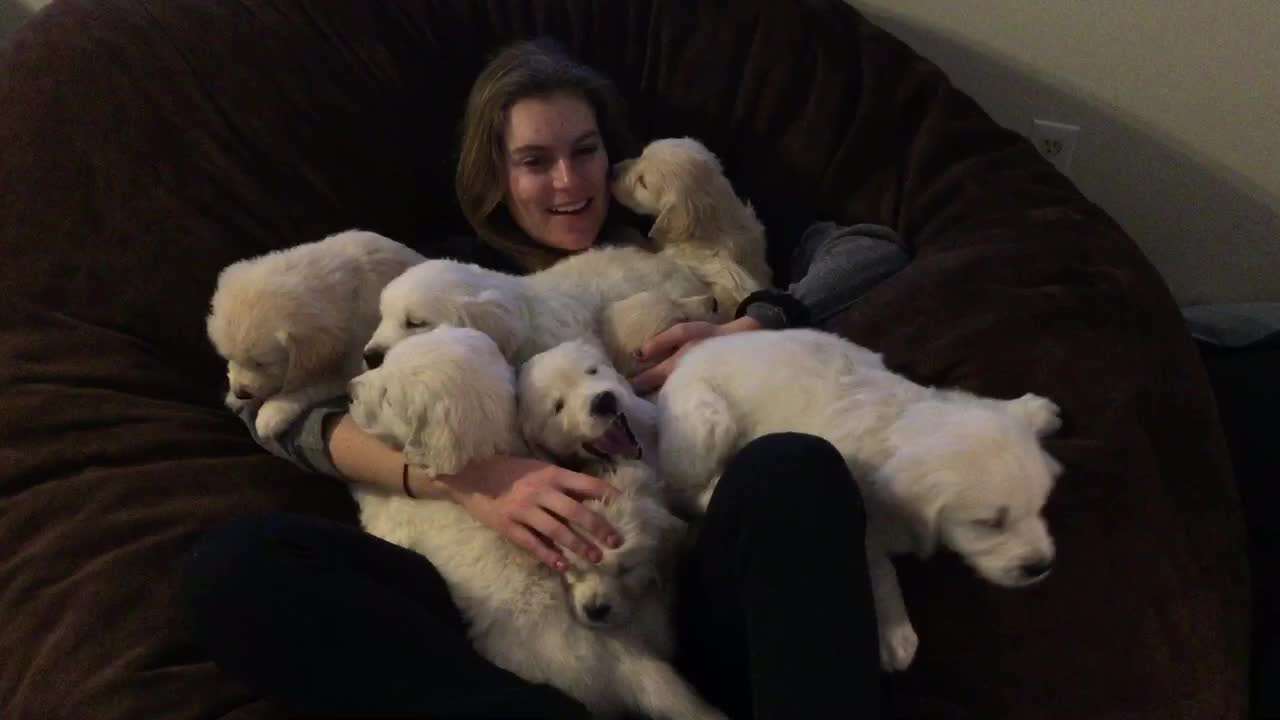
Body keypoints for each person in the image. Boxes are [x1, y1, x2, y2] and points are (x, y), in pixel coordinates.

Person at [182, 37, 910, 720]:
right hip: (500, 603)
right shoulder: (441, 279)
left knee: (797, 468)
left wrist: (748, 325)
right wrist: (466, 478)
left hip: (676, 575)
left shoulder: (675, 233)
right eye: (535, 161)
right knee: (235, 570)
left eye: (585, 151)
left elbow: (871, 250)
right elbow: (278, 413)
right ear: (494, 175)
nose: (568, 182)